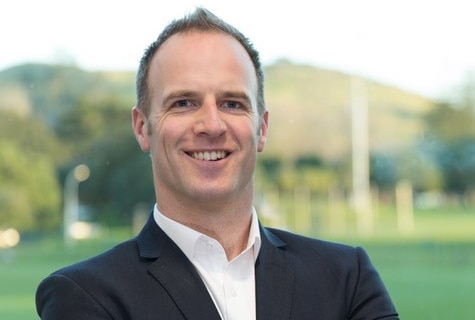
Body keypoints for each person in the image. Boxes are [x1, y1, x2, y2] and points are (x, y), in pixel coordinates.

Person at [36, 7, 398, 320]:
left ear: (262, 128)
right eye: (183, 103)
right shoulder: (84, 296)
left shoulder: (347, 278)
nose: (211, 125)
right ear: (143, 127)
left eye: (232, 103)